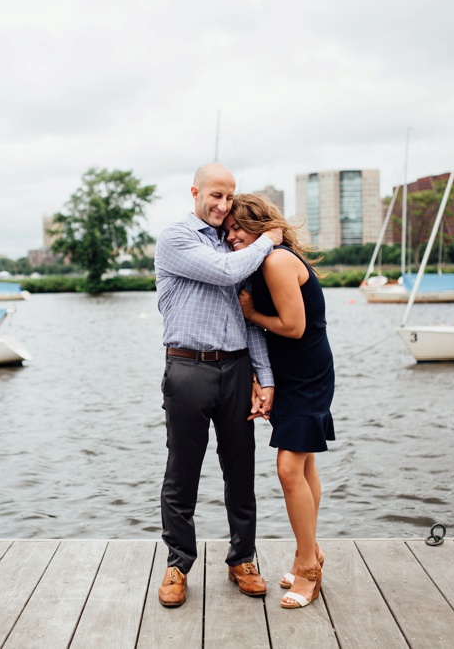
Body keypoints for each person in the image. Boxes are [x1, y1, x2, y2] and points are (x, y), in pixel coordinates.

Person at [153, 163, 282, 608]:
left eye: (230, 197)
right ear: (195, 192)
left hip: (235, 368)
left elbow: (250, 322)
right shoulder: (177, 239)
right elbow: (227, 273)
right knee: (181, 474)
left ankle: (242, 558)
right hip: (187, 369)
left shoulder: (235, 242)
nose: (223, 205)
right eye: (216, 196)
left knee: (240, 471)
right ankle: (177, 564)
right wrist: (268, 240)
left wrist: (263, 377)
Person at [224, 193, 335, 610]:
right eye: (228, 230)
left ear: (256, 225)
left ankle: (309, 568)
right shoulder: (263, 257)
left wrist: (251, 315)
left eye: (237, 228)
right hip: (288, 373)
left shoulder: (276, 261)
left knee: (289, 467)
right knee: (304, 466)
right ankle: (308, 552)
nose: (231, 236)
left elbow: (293, 326)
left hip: (306, 372)